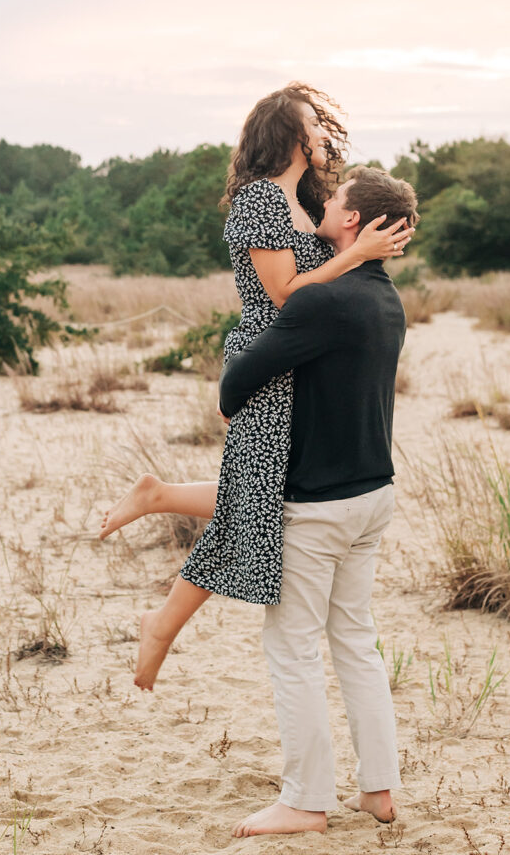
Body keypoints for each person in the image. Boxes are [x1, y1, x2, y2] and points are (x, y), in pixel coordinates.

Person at [99, 84, 414, 691]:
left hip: (303, 361)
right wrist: (358, 256)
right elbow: (283, 294)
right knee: (260, 500)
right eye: (313, 124)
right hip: (269, 361)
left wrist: (366, 249)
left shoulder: (305, 201)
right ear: (285, 133)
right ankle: (160, 618)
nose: (324, 133)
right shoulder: (258, 203)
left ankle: (159, 506)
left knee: (264, 495)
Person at [217, 166, 419, 837]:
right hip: (374, 495)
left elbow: (235, 384)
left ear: (353, 222)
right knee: (356, 642)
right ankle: (379, 791)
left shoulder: (322, 302)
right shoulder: (387, 299)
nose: (320, 206)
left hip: (319, 506)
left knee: (294, 647)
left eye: (332, 201)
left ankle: (305, 801)